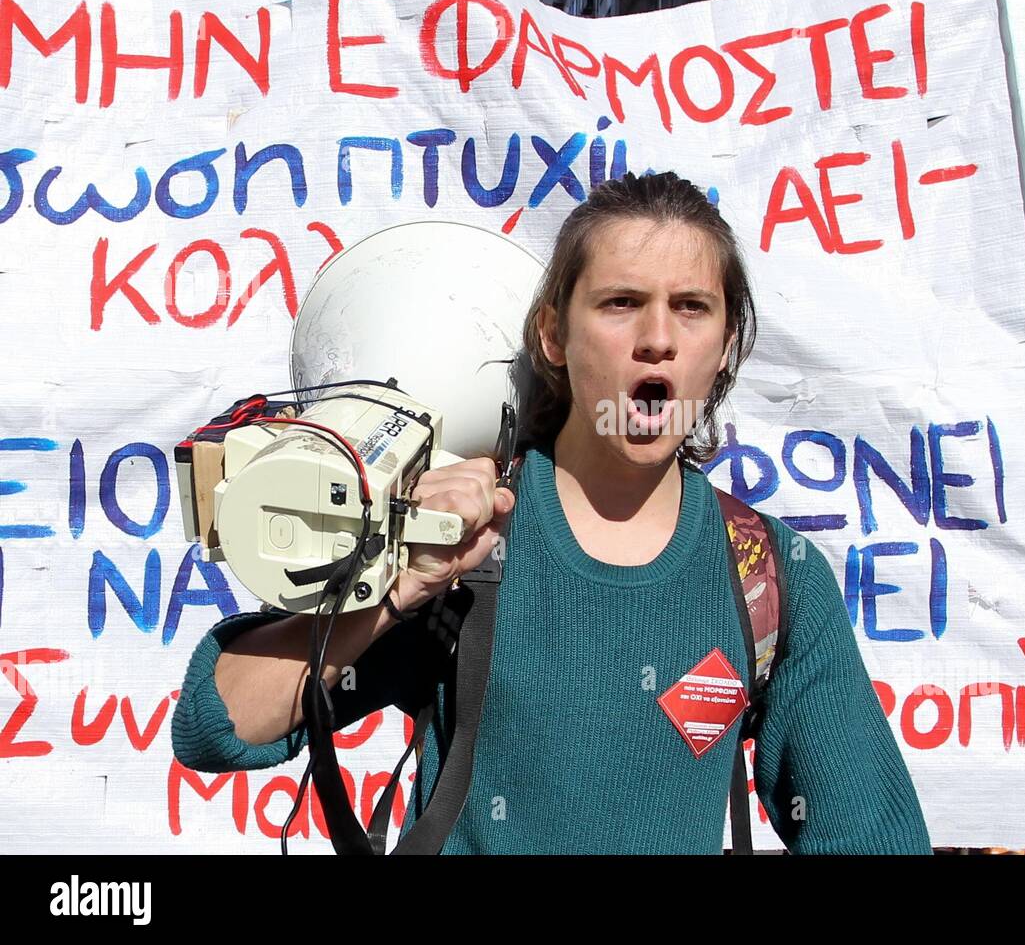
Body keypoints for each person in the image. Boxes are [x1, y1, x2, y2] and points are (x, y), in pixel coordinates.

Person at [171, 171, 932, 855]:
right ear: (553, 335)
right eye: (621, 304)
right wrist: (394, 592)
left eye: (691, 308)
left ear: (726, 343)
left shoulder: (767, 573)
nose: (658, 340)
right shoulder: (464, 540)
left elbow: (872, 836)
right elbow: (216, 726)